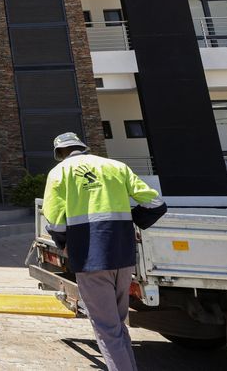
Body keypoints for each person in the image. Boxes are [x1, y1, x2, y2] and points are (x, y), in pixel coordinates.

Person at [43, 132, 167, 371]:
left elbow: (56, 222)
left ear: (60, 153)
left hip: (90, 258)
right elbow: (156, 204)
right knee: (117, 325)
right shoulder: (116, 167)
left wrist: (64, 243)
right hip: (123, 255)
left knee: (107, 329)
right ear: (82, 147)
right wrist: (131, 223)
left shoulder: (59, 173)